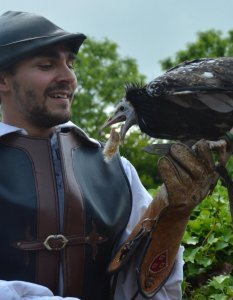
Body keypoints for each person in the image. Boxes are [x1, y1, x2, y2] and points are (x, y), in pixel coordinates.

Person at [0, 11, 216, 299]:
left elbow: (144, 288)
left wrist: (172, 218)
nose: (68, 77)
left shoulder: (115, 169)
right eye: (46, 65)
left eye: (70, 64)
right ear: (3, 80)